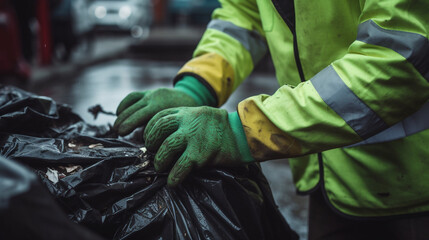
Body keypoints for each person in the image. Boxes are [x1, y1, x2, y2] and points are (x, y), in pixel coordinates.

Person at [114, 0, 429, 239]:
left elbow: (399, 58)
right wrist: (196, 86)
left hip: (412, 187)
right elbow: (242, 19)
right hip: (329, 179)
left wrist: (244, 130)